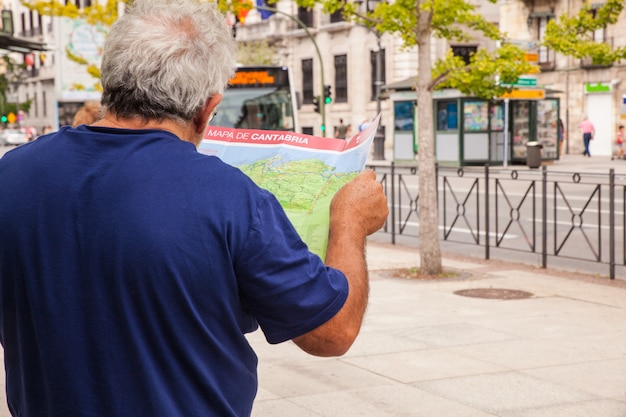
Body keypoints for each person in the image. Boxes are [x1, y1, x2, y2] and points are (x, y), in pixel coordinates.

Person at [0, 0, 388, 416]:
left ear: (108, 79)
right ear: (207, 109)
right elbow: (332, 332)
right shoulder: (228, 196)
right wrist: (348, 222)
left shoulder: (13, 173)